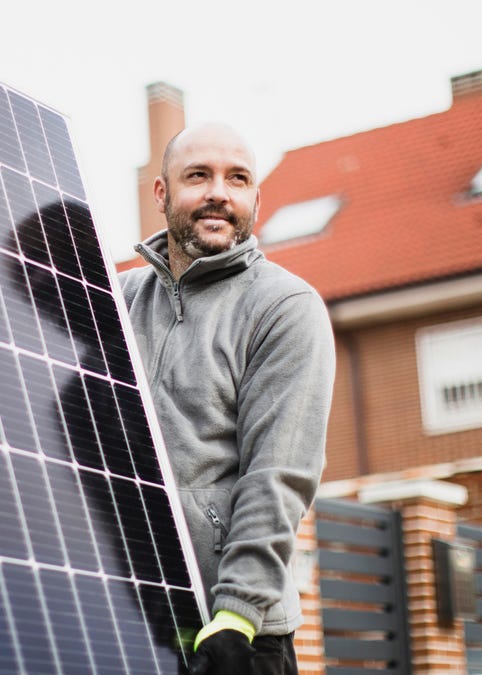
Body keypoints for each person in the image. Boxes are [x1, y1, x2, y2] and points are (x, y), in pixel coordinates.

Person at [119, 122, 335, 675]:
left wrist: (237, 612)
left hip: (238, 635)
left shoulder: (284, 307)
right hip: (134, 615)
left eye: (237, 179)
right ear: (162, 194)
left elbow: (279, 474)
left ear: (255, 201)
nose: (219, 191)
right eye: (199, 175)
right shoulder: (118, 300)